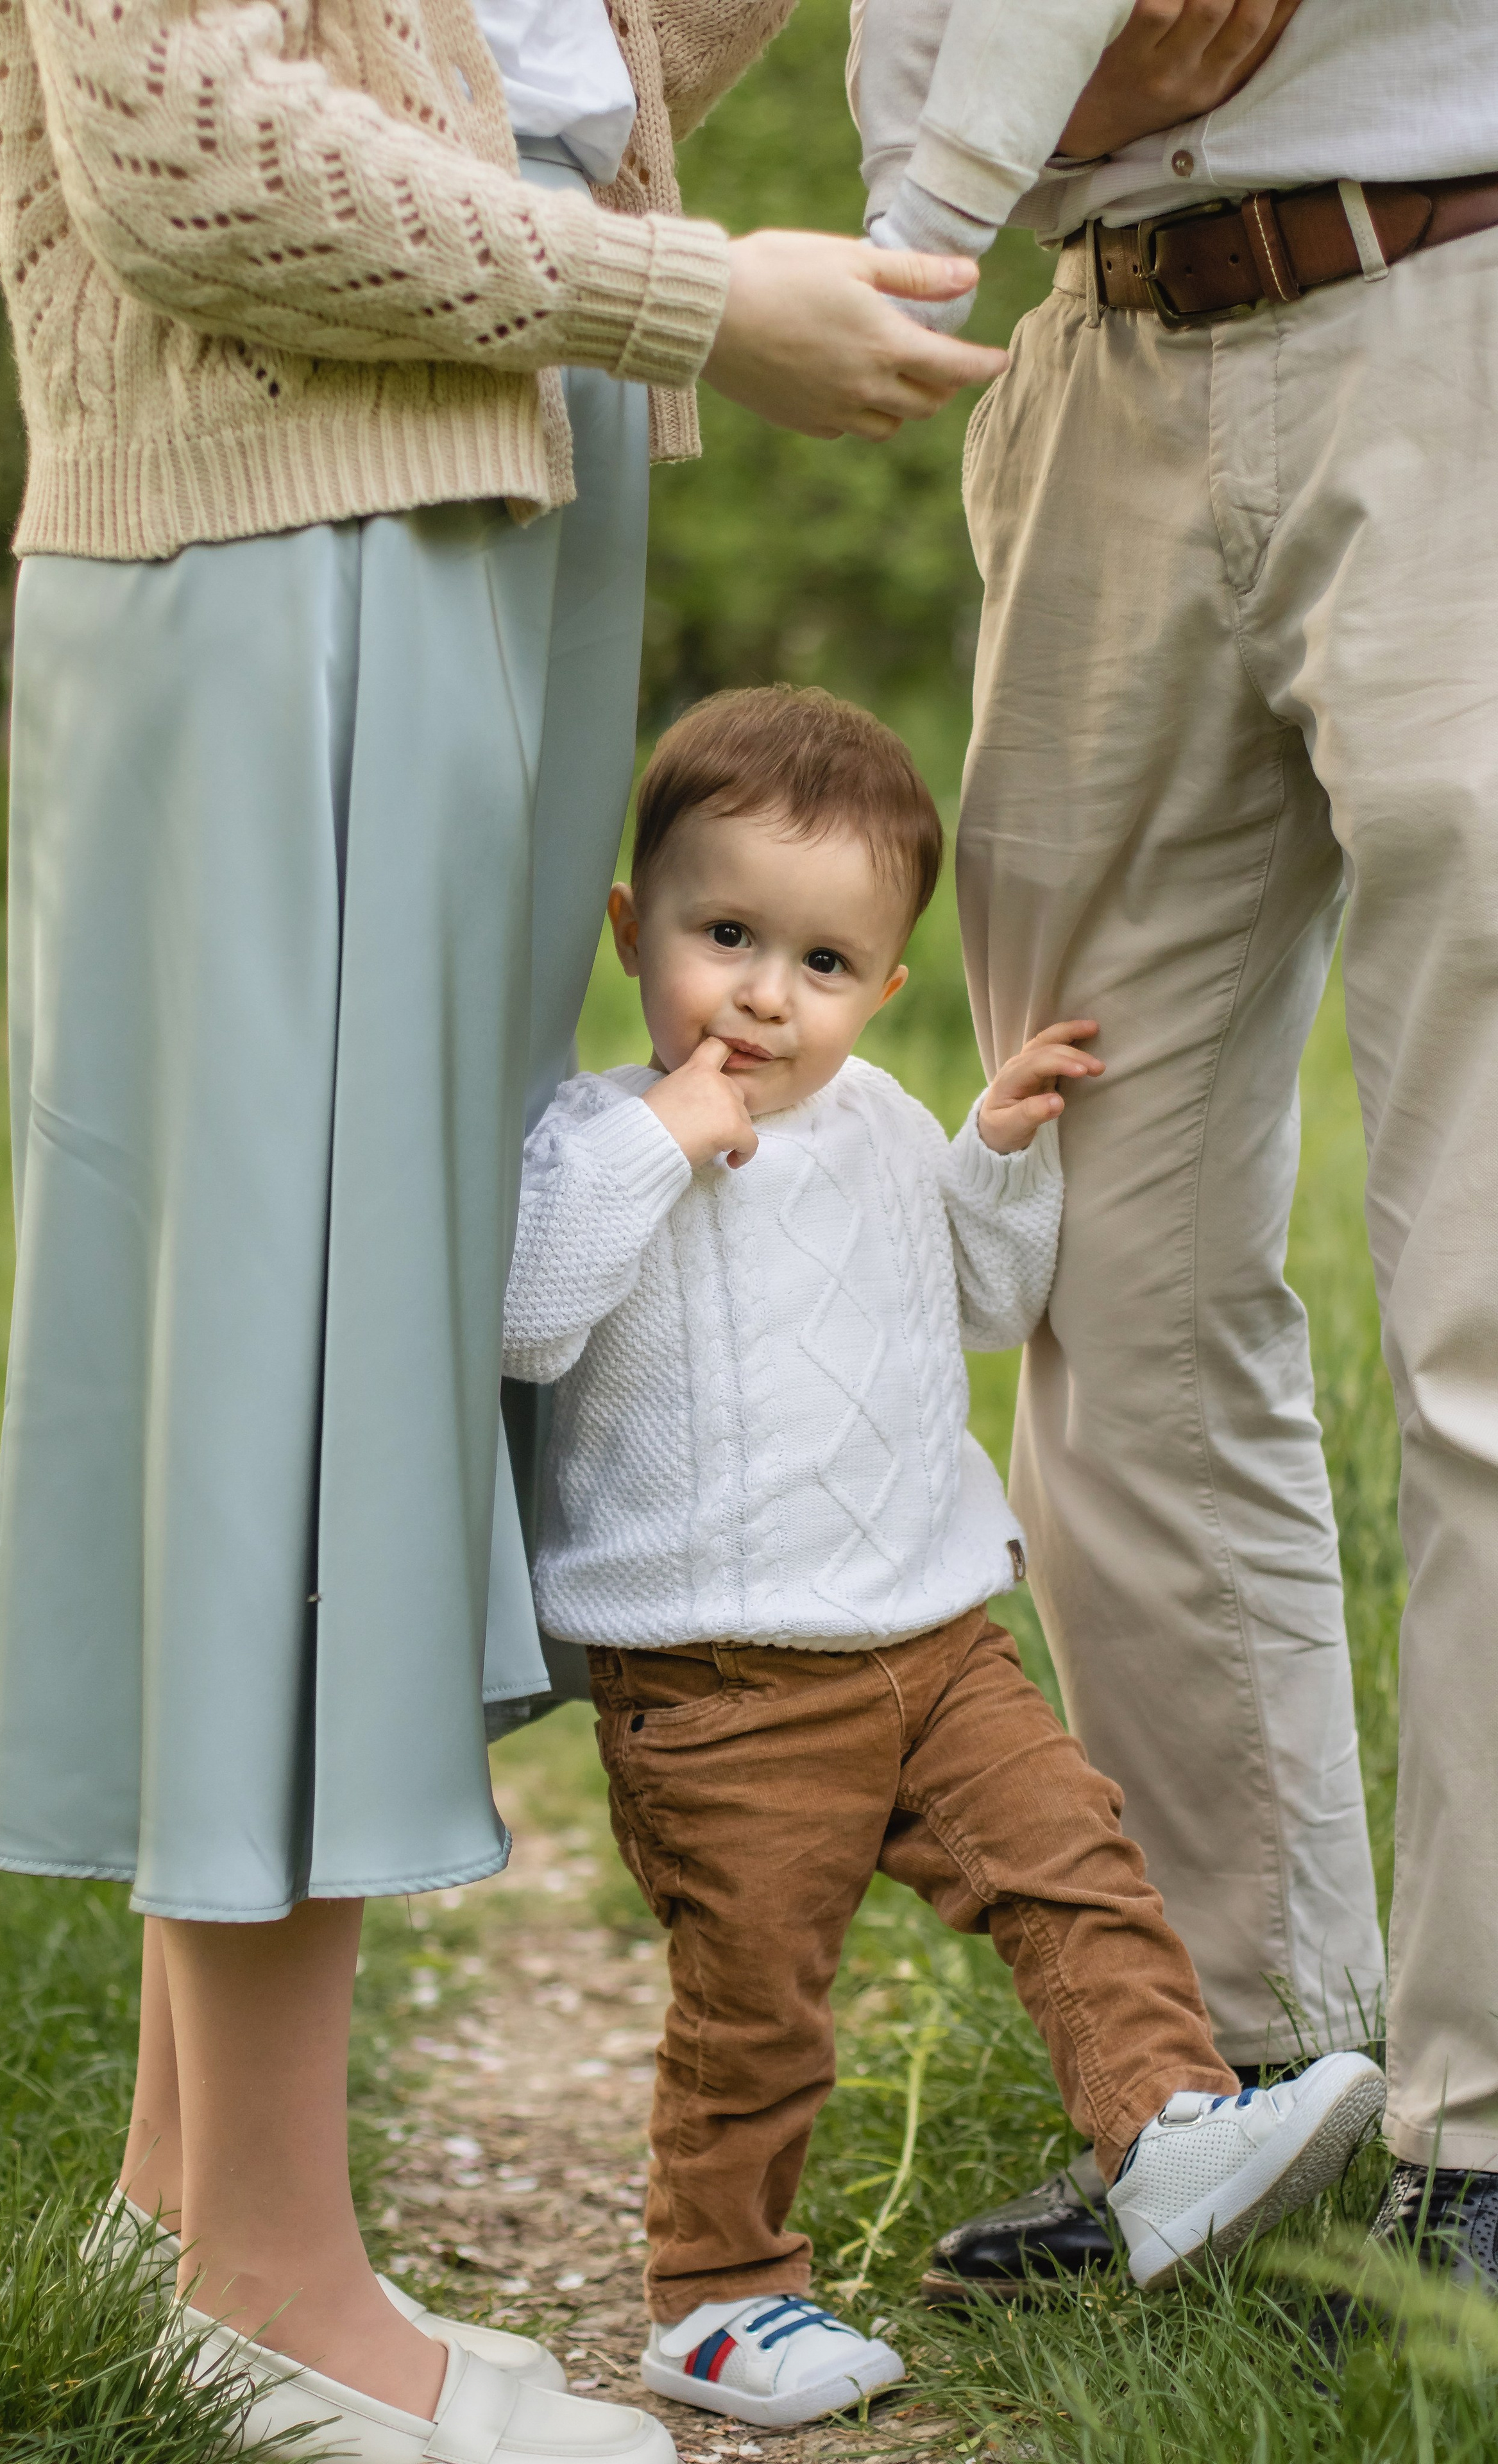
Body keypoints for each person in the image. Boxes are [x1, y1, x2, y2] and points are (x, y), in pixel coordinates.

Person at [0, 0, 1013, 2440]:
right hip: (290, 499)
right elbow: (183, 143)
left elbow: (542, 46)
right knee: (285, 1358)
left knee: (339, 1337)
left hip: (490, 456)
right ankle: (277, 2293)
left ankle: (172, 2206)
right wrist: (695, 298)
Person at [500, 684, 1385, 2427]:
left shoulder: (888, 1122)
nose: (767, 993)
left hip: (934, 1634)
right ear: (632, 930)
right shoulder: (595, 1136)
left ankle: (1167, 2134)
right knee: (758, 1998)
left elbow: (981, 1303)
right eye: (726, 935)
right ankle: (719, 2292)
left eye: (824, 964)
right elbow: (527, 1319)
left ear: (883, 987)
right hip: (722, 1670)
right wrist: (658, 1147)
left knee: (1079, 1866)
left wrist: (991, 1154)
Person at [849, 0, 1498, 2310]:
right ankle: (1245, 2085)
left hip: (1455, 317)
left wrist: (957, 174)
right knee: (1090, 1270)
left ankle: (1485, 2136)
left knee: (1487, 1331)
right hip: (1103, 363)